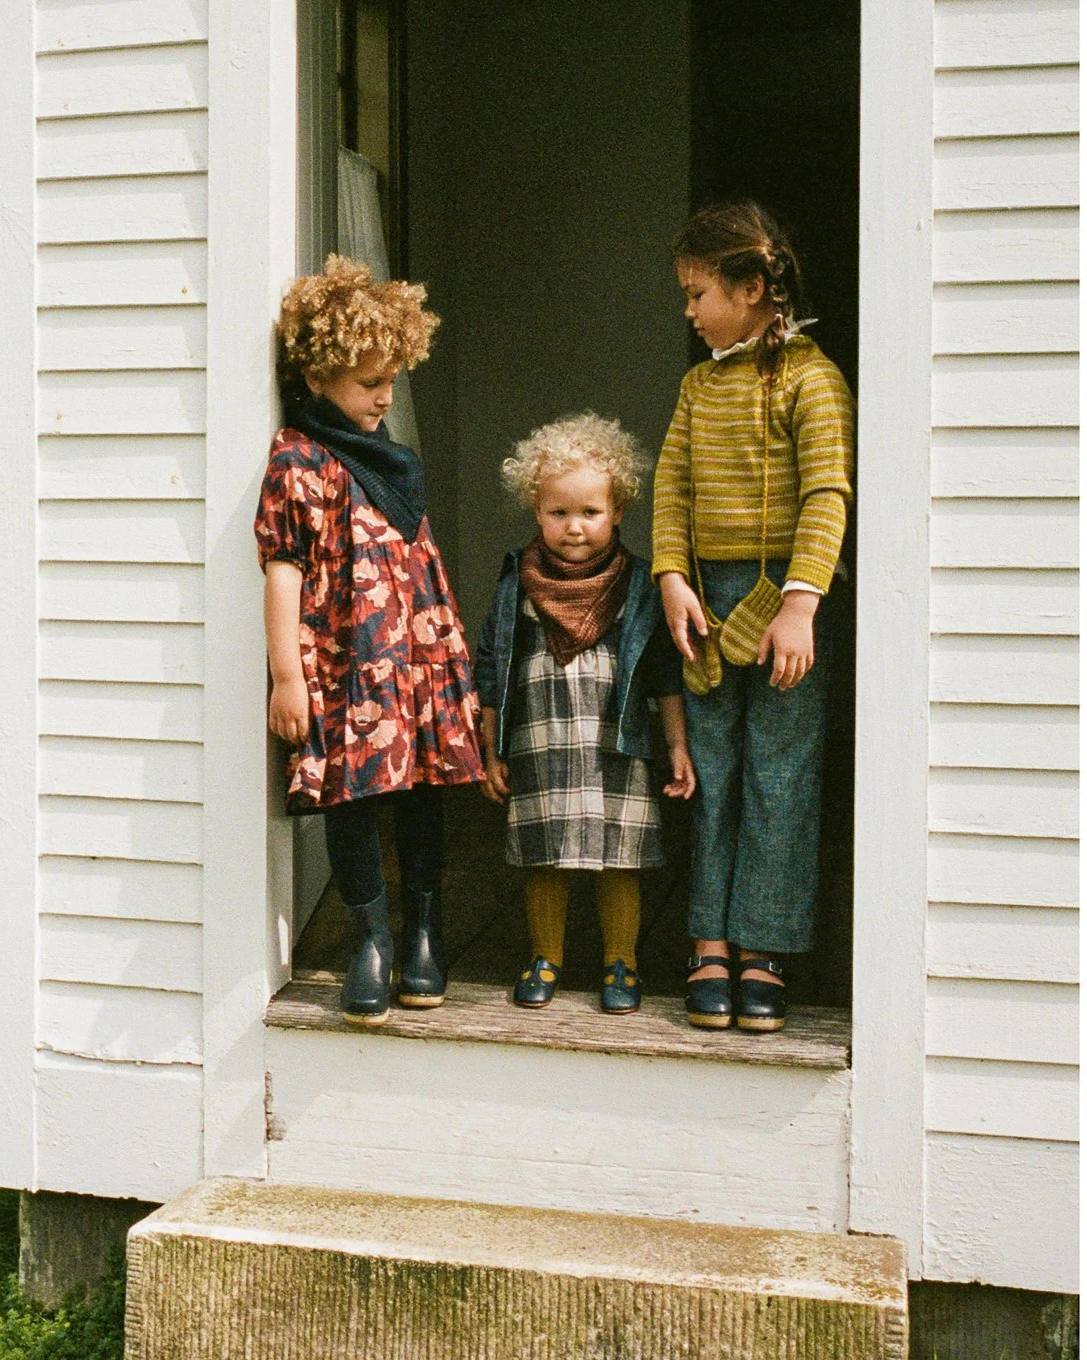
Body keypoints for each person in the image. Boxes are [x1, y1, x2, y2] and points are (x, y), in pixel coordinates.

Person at [254, 254, 485, 1024]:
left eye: (392, 379)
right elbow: (283, 569)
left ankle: (423, 932)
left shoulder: (395, 460)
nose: (386, 396)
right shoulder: (298, 457)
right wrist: (288, 675)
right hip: (346, 660)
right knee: (352, 794)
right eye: (368, 383)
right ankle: (371, 938)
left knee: (422, 786)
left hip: (414, 655)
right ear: (318, 377)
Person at [655, 201, 855, 1033]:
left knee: (780, 775)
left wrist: (803, 604)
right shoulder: (698, 387)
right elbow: (671, 486)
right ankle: (708, 939)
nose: (690, 311)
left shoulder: (813, 380)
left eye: (698, 293)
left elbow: (827, 494)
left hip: (784, 606)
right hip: (706, 603)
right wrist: (672, 577)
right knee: (712, 773)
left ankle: (763, 947)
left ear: (752, 289)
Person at [475, 415, 696, 1016]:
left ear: (618, 510)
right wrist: (490, 750)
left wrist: (676, 745)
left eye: (590, 512)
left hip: (614, 743)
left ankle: (621, 961)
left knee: (617, 857)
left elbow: (663, 673)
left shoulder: (638, 585)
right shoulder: (517, 584)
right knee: (544, 854)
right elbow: (491, 668)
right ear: (536, 510)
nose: (574, 527)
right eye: (558, 512)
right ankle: (545, 957)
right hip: (539, 738)